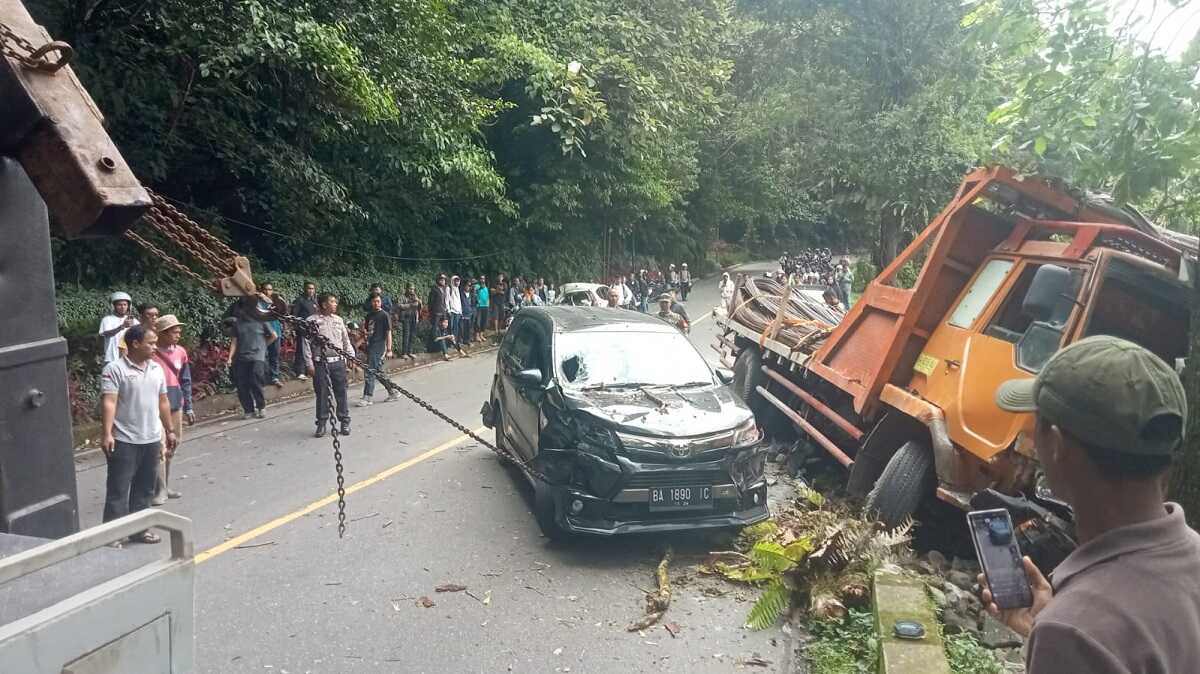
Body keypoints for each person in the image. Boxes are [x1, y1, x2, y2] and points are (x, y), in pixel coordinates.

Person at [982, 336, 1200, 674]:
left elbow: (1094, 635)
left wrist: (1066, 637)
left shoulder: (1075, 631)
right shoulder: (1191, 559)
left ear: (1057, 445)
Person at [100, 325, 177, 545]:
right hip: (124, 440)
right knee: (118, 490)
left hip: (151, 438)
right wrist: (107, 433)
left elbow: (163, 401)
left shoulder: (156, 369)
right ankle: (112, 535)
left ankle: (140, 530)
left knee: (145, 489)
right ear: (135, 344)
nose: (155, 347)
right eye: (150, 343)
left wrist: (169, 430)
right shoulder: (115, 369)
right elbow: (109, 401)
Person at [151, 315, 193, 505]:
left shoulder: (181, 352)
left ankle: (166, 485)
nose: (178, 335)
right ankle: (159, 489)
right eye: (174, 332)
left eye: (178, 332)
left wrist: (189, 406)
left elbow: (186, 380)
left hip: (176, 403)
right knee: (160, 447)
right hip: (156, 406)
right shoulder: (150, 353)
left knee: (173, 445)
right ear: (162, 334)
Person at [304, 293, 355, 437]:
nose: (335, 304)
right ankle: (321, 423)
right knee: (322, 394)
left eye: (335, 301)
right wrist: (309, 364)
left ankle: (344, 421)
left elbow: (345, 340)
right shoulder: (311, 321)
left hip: (338, 362)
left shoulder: (339, 320)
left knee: (341, 392)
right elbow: (306, 344)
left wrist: (351, 356)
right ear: (324, 304)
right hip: (320, 363)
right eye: (332, 301)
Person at [226, 298, 276, 420]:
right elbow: (234, 341)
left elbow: (273, 336)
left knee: (255, 381)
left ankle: (261, 406)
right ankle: (248, 410)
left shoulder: (261, 321)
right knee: (242, 384)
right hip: (241, 356)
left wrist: (263, 346)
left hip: (257, 356)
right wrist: (230, 357)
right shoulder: (238, 324)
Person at [358, 294, 397, 407]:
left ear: (381, 302)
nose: (376, 303)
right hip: (371, 345)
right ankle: (393, 391)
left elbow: (388, 333)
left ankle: (367, 397)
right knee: (378, 372)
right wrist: (364, 334)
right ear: (371, 302)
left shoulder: (384, 315)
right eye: (374, 301)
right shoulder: (369, 315)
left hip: (379, 345)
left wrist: (389, 349)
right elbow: (367, 330)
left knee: (369, 370)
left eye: (378, 301)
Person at [99, 291, 137, 364]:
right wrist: (122, 326)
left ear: (128, 306)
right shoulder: (107, 319)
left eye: (125, 305)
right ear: (113, 306)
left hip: (128, 359)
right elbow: (106, 334)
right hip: (111, 358)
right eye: (119, 305)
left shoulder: (133, 320)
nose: (123, 307)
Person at [292, 281, 319, 380]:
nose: (311, 291)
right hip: (303, 329)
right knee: (301, 350)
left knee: (312, 350)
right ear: (305, 289)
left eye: (312, 289)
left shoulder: (315, 301)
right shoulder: (300, 300)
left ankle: (310, 371)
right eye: (309, 288)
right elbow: (294, 315)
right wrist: (297, 328)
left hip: (313, 330)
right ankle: (300, 371)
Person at [259, 282, 283, 386]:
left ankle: (275, 377)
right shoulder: (258, 302)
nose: (267, 291)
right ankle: (262, 379)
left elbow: (281, 310)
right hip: (263, 333)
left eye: (269, 289)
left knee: (274, 356)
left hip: (276, 331)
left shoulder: (275, 301)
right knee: (262, 356)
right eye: (265, 289)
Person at [395, 284, 421, 360]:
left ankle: (410, 352)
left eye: (413, 289)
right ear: (406, 289)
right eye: (410, 289)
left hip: (413, 317)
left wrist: (419, 302)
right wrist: (410, 305)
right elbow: (399, 305)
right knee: (406, 335)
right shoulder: (402, 297)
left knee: (412, 335)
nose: (412, 290)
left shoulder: (415, 296)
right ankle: (404, 353)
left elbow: (418, 307)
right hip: (406, 317)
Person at [460, 278, 476, 346]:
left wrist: (472, 311)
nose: (468, 287)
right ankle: (461, 341)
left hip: (469, 313)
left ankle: (467, 341)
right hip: (462, 313)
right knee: (462, 328)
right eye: (467, 285)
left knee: (469, 328)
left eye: (469, 286)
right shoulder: (461, 294)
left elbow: (473, 303)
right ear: (464, 286)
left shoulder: (471, 294)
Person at [448, 275, 464, 342]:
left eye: (458, 281)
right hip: (451, 311)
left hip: (457, 311)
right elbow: (447, 300)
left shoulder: (458, 289)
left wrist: (460, 311)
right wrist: (448, 310)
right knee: (450, 327)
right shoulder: (449, 288)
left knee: (456, 327)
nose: (457, 282)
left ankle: (455, 341)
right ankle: (450, 341)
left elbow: (459, 301)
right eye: (456, 281)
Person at [475, 275, 490, 342]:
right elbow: (475, 292)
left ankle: (481, 335)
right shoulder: (477, 286)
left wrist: (488, 304)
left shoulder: (486, 287)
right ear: (479, 279)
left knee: (484, 321)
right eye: (481, 278)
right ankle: (477, 336)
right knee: (478, 322)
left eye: (483, 278)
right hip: (479, 306)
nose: (482, 280)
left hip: (486, 306)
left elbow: (487, 296)